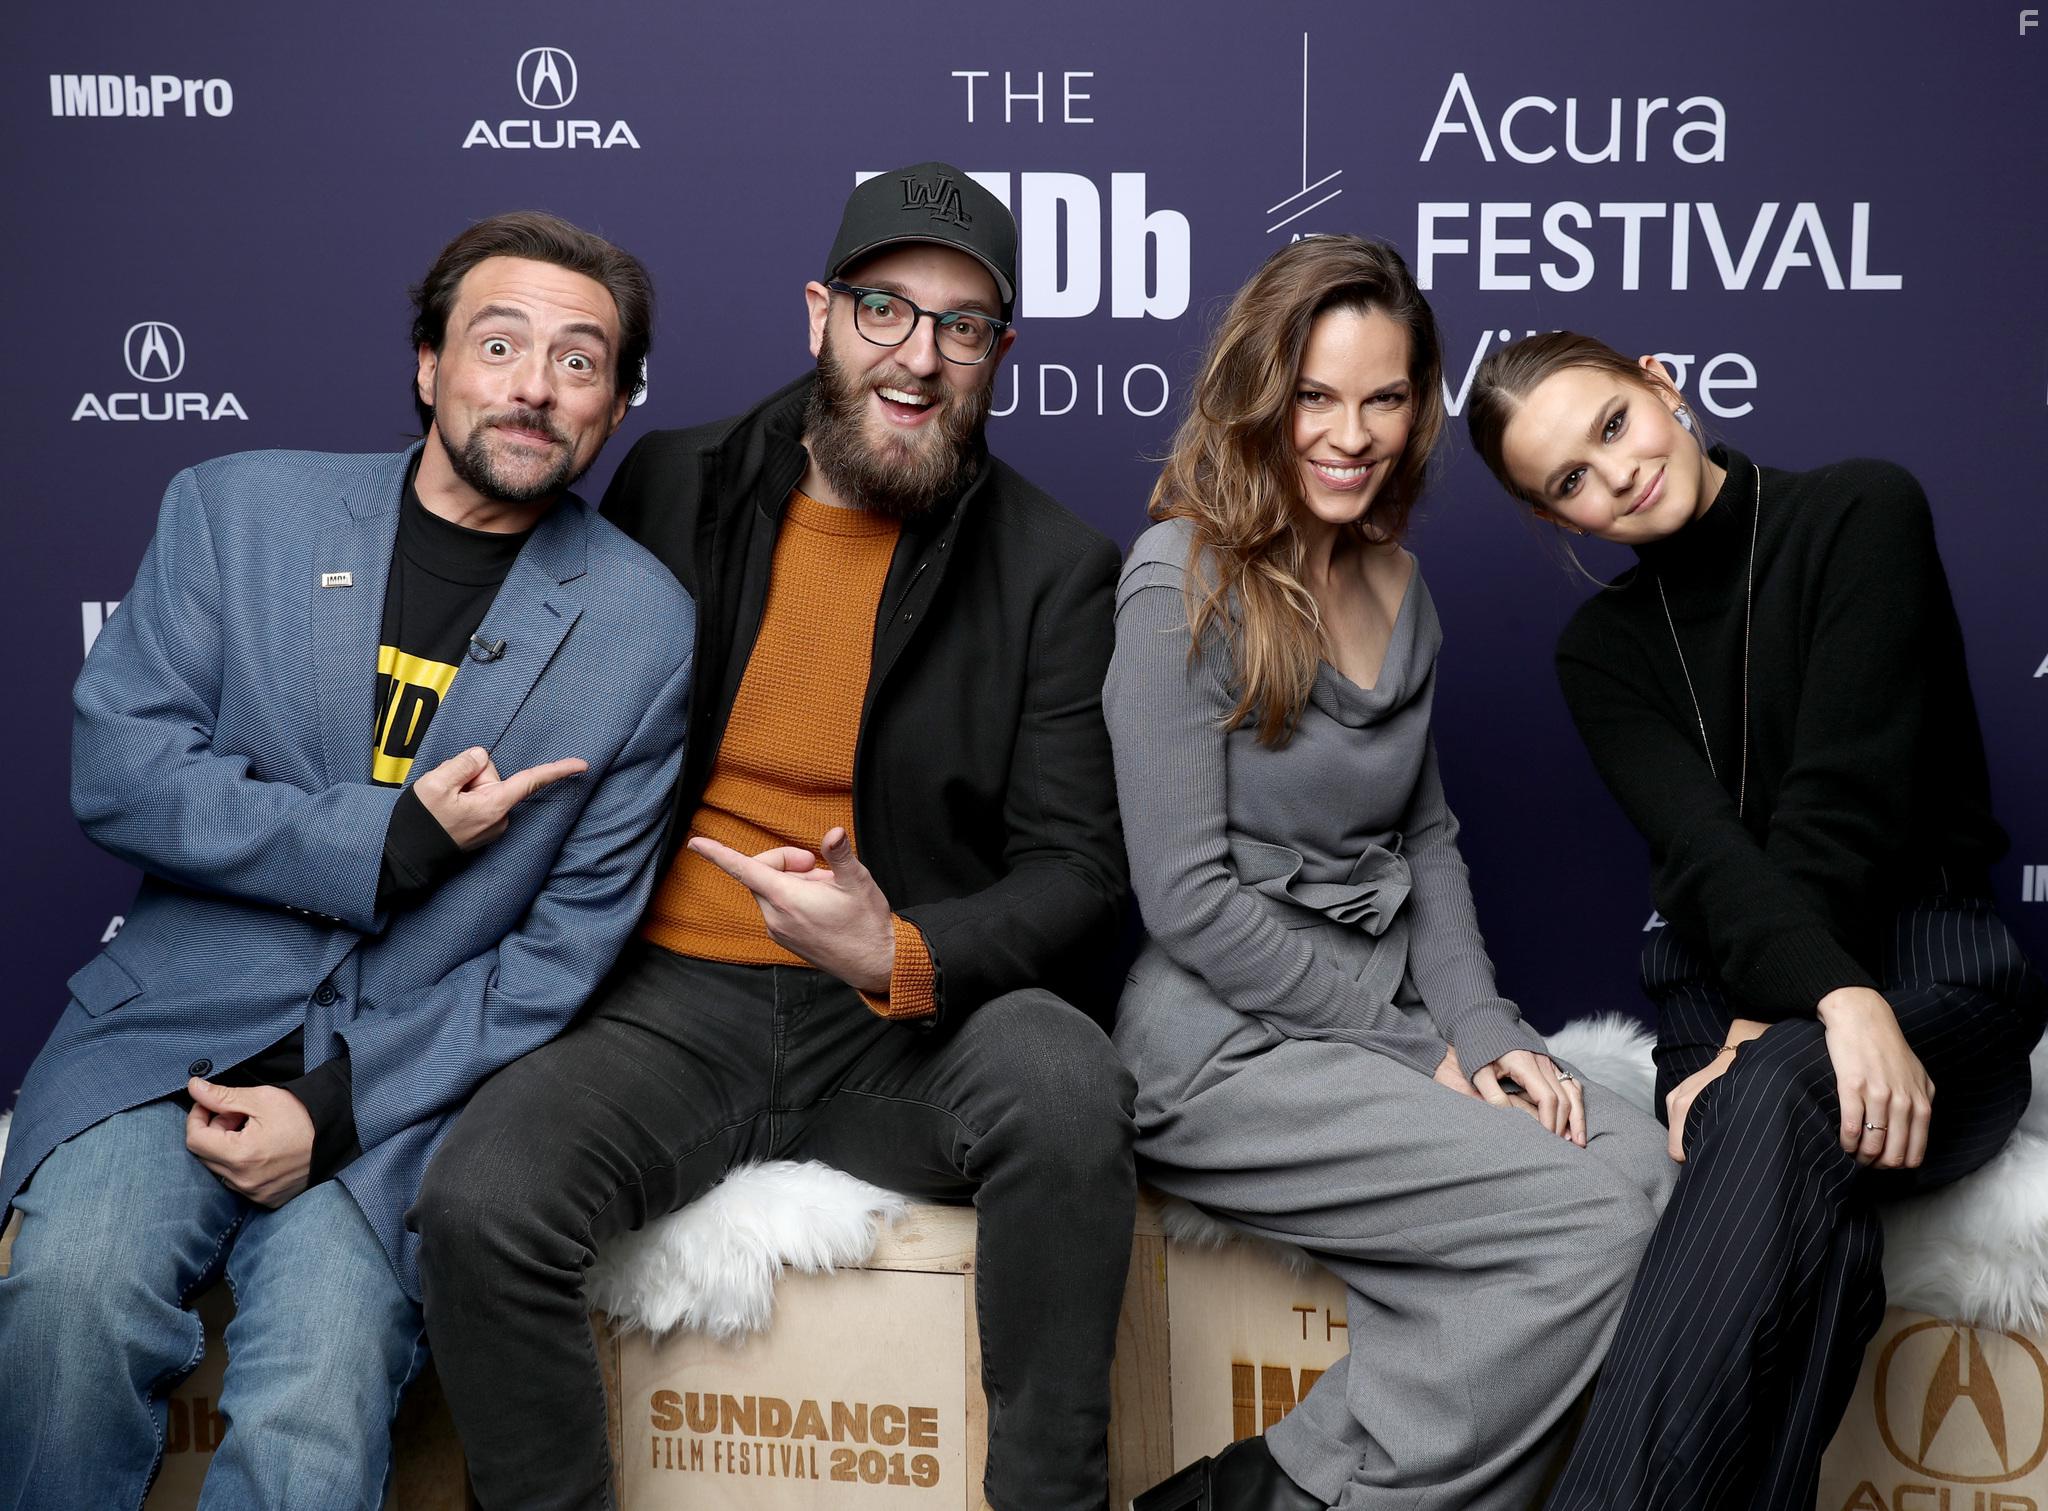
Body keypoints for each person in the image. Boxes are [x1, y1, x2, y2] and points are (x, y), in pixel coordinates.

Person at [413, 162, 1135, 1511]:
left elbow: (1080, 867)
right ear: (819, 315)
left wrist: (902, 943)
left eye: (962, 325)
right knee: (482, 1198)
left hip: (898, 1021)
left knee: (1066, 1076)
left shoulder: (1056, 566)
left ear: (1000, 355)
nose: (917, 357)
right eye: (883, 310)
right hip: (665, 1007)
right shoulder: (673, 479)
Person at [0, 212, 695, 1509]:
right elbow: (122, 768)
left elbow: (558, 958)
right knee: (66, 1304)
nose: (535, 383)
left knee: (316, 1391)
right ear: (429, 363)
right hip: (172, 1041)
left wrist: (335, 1107)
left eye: (580, 359)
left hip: (392, 1101)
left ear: (614, 407)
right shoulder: (235, 509)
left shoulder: (643, 629)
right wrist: (384, 839)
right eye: (499, 342)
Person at [1110, 237, 1674, 1511]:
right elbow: (1186, 897)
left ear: (1417, 405)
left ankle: (1296, 1483)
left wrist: (1482, 1027)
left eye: (1383, 396)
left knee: (1642, 1164)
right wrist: (1414, 1048)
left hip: (1391, 1018)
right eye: (1315, 395)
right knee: (1587, 1224)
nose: (1349, 432)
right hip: (1225, 1045)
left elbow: (1423, 841)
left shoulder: (1400, 583)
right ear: (1262, 392)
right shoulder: (1178, 580)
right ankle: (1298, 1495)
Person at [1465, 330, 2048, 1510]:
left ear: (1662, 388)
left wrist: (1811, 1009)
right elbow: (1704, 855)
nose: (1613, 473)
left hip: (1930, 976)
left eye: (1613, 425)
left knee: (1776, 1083)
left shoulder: (1858, 513)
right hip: (1722, 999)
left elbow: (1841, 802)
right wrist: (1788, 1010)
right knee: (1812, 1230)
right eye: (1568, 480)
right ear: (1558, 519)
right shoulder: (1603, 653)